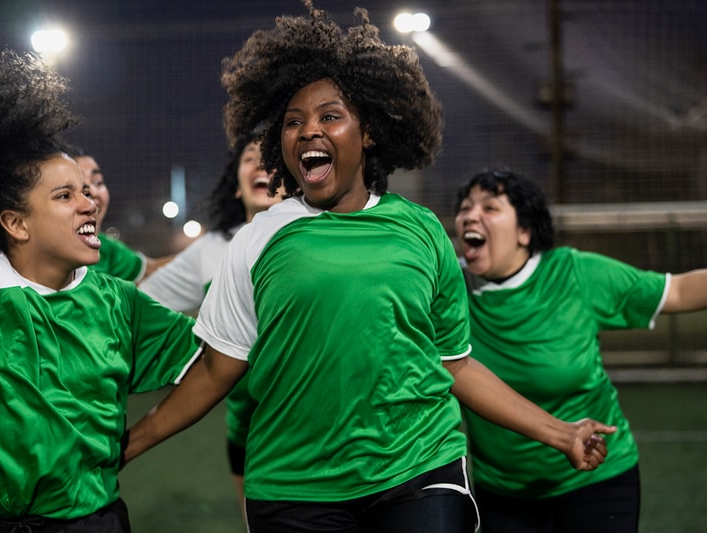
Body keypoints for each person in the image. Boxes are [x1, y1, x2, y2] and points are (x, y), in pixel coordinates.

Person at [122, 4, 615, 532]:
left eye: (330, 116)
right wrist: (131, 443)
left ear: (369, 133)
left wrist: (559, 432)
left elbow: (455, 364)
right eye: (292, 122)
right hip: (294, 484)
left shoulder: (423, 230)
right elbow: (219, 368)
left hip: (418, 467)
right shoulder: (258, 238)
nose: (308, 131)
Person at [0, 50, 200, 532]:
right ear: (16, 223)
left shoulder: (117, 299)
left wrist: (139, 438)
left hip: (90, 522)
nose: (89, 203)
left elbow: (216, 360)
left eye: (86, 190)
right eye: (65, 195)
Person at [453, 168, 707, 533]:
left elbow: (678, 291)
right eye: (465, 207)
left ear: (525, 232)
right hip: (503, 492)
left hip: (598, 480)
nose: (470, 215)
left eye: (490, 207)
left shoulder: (574, 274)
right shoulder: (447, 289)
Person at [139, 132, 281, 512]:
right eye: (249, 158)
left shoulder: (320, 236)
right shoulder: (213, 249)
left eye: (270, 158)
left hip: (312, 427)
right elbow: (138, 302)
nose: (260, 164)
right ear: (236, 186)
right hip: (245, 431)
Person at [67, 145, 174, 283]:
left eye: (98, 182)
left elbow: (151, 271)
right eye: (65, 194)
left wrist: (204, 253)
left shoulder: (106, 248)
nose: (92, 192)